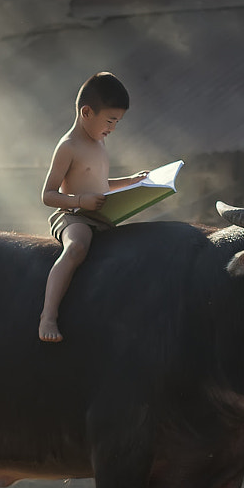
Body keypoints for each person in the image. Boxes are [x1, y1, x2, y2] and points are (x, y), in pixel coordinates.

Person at [38, 72, 147, 342]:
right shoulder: (69, 146)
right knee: (77, 248)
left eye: (117, 122)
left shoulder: (99, 142)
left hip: (101, 215)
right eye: (110, 121)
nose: (112, 128)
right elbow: (48, 195)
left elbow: (99, 184)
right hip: (74, 217)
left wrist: (132, 183)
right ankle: (48, 315)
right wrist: (79, 201)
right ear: (87, 112)